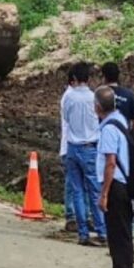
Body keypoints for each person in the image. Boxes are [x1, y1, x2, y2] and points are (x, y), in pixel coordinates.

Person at [96, 85, 134, 268]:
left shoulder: (109, 129)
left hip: (116, 186)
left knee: (120, 235)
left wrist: (103, 193)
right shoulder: (120, 119)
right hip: (123, 184)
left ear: (97, 107)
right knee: (117, 233)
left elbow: (110, 163)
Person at [61, 61, 106, 247]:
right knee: (95, 191)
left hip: (72, 146)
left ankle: (83, 233)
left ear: (73, 79)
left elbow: (66, 118)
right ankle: (102, 231)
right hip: (90, 146)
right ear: (88, 78)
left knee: (77, 191)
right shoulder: (94, 97)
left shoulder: (68, 97)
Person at [100, 62, 134, 133]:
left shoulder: (99, 94)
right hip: (124, 136)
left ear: (104, 77)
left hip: (103, 135)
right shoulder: (128, 94)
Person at [60, 68, 76, 232]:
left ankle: (77, 215)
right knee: (72, 184)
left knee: (77, 184)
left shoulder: (71, 96)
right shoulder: (70, 97)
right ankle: (71, 215)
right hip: (71, 146)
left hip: (72, 145)